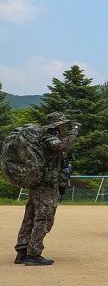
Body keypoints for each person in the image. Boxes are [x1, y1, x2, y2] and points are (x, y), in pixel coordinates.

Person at [14, 112, 78, 266]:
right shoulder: (48, 137)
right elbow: (62, 146)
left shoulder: (41, 138)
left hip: (39, 183)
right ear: (57, 125)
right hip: (46, 185)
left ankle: (22, 251)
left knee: (30, 216)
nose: (65, 126)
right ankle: (33, 254)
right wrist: (75, 131)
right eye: (63, 124)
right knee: (44, 217)